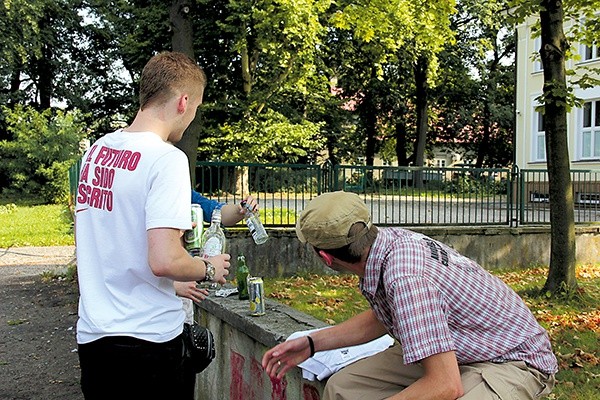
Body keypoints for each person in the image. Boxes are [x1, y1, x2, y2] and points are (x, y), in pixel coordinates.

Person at [262, 191, 558, 400]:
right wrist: (313, 343)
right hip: (455, 349)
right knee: (343, 389)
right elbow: (384, 317)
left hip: (510, 361)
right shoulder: (386, 243)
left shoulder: (405, 277)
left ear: (325, 257)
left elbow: (444, 386)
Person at [74, 51, 230, 400]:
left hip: (95, 339)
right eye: (196, 108)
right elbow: (164, 260)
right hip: (149, 344)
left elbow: (102, 244)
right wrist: (208, 267)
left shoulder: (97, 152)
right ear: (183, 102)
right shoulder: (166, 160)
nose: (191, 117)